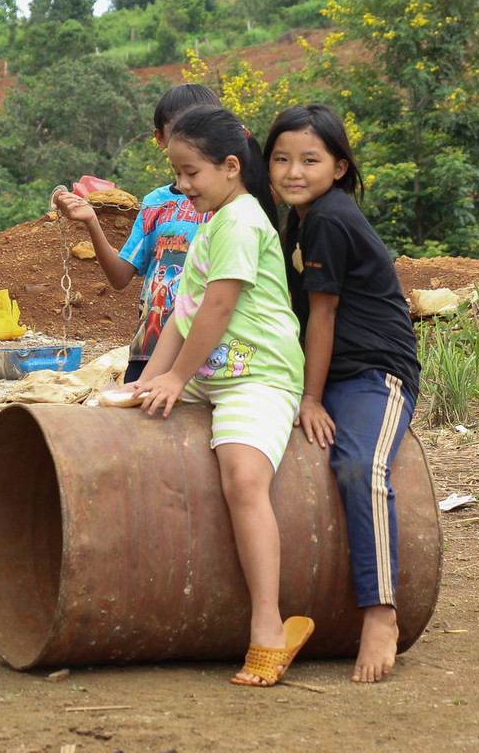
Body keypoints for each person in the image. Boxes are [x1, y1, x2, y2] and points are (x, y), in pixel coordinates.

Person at [126, 104, 314, 687]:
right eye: (176, 174)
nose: (181, 186)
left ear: (231, 167)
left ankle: (268, 625)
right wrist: (143, 384)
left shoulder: (241, 221)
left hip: (259, 377)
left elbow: (219, 307)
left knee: (243, 479)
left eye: (190, 174)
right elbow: (180, 318)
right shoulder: (211, 223)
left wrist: (177, 380)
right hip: (214, 376)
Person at [265, 103, 421, 685]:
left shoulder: (329, 217)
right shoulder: (297, 222)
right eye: (281, 159)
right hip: (326, 370)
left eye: (310, 159)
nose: (293, 171)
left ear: (339, 167)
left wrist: (310, 400)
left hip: (373, 372)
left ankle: (380, 613)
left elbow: (323, 316)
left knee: (359, 465)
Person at [51, 83, 221, 382]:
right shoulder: (156, 202)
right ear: (160, 138)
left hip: (210, 352)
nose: (194, 138)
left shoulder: (228, 202)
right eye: (183, 129)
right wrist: (92, 221)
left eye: (204, 127)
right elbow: (120, 278)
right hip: (150, 349)